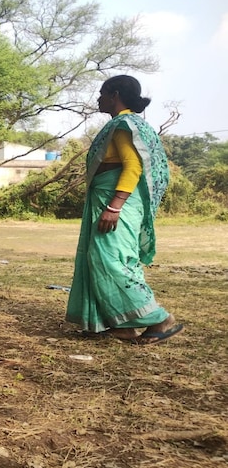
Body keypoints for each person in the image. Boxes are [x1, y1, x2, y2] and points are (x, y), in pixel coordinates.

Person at [67, 75, 182, 345]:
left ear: (114, 94)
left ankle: (159, 319)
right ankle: (123, 325)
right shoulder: (129, 124)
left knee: (111, 261)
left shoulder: (122, 126)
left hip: (116, 203)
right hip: (111, 200)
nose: (98, 98)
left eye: (102, 93)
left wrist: (114, 206)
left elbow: (133, 168)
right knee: (103, 258)